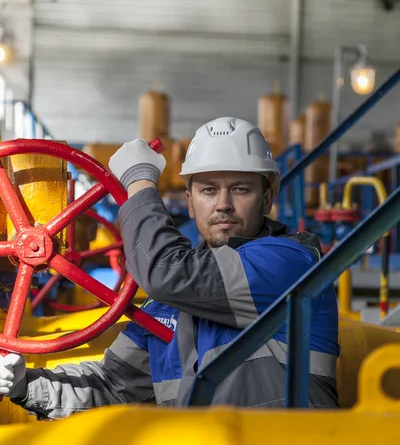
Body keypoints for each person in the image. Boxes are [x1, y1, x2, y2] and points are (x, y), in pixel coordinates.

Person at [0, 117, 339, 417]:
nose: (223, 204)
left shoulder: (291, 263)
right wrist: (25, 385)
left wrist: (138, 181)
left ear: (267, 199)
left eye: (240, 189)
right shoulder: (166, 306)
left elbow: (167, 272)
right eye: (208, 190)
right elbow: (110, 385)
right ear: (190, 203)